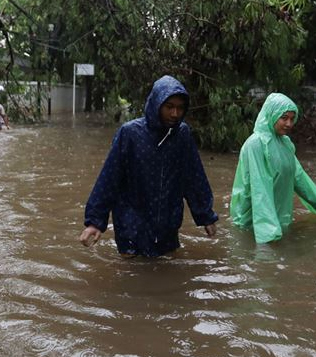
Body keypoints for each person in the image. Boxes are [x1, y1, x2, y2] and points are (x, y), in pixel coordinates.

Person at [79, 75, 218, 257]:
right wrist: (95, 222)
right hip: (131, 224)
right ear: (156, 105)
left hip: (167, 225)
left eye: (180, 108)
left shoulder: (182, 135)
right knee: (132, 274)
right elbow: (109, 178)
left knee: (167, 272)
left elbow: (194, 177)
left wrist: (205, 216)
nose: (175, 114)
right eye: (169, 107)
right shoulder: (130, 134)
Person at [230, 93, 316, 244]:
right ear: (271, 115)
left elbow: (299, 177)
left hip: (278, 217)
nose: (289, 124)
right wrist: (268, 234)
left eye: (292, 119)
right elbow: (260, 187)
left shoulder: (285, 143)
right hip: (251, 222)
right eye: (284, 118)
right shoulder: (256, 144)